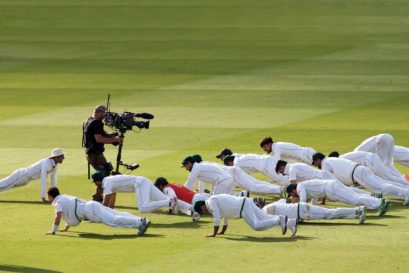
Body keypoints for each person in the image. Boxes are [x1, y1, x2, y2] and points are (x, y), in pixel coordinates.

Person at [46, 187, 150, 236]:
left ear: (50, 196)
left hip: (90, 211)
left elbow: (58, 216)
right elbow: (71, 212)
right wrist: (66, 228)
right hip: (92, 205)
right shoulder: (64, 197)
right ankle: (140, 220)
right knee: (116, 214)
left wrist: (53, 231)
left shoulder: (58, 203)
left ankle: (140, 223)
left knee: (113, 220)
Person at [312, 153, 409, 205]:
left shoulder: (325, 164)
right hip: (360, 170)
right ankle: (405, 192)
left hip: (357, 174)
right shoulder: (331, 160)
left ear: (318, 160)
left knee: (381, 187)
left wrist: (323, 199)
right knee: (382, 184)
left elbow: (326, 181)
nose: (315, 166)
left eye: (315, 163)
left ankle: (405, 193)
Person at [193, 194, 297, 237]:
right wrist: (223, 231)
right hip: (246, 202)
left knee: (256, 226)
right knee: (265, 218)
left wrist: (214, 234)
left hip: (243, 207)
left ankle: (280, 219)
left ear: (202, 205)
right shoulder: (213, 201)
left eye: (202, 210)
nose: (204, 212)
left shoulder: (211, 202)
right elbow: (224, 216)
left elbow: (217, 218)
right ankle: (290, 223)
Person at [83, 105, 123, 201]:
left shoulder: (89, 120)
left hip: (92, 154)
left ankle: (98, 197)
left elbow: (98, 133)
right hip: (95, 155)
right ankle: (98, 198)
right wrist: (115, 139)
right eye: (105, 113)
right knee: (104, 177)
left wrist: (109, 135)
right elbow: (99, 139)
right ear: (99, 112)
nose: (106, 116)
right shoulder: (97, 123)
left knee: (104, 174)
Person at [286, 180, 389, 216]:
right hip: (332, 184)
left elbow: (303, 201)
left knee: (354, 199)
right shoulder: (305, 185)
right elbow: (314, 200)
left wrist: (296, 208)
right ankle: (378, 202)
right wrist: (313, 209)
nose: (294, 196)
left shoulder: (299, 187)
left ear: (293, 191)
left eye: (292, 194)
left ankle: (380, 203)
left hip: (330, 189)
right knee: (354, 196)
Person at [91, 172, 176, 213]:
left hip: (140, 183)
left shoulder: (106, 183)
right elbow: (110, 205)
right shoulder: (109, 181)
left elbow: (105, 204)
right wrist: (110, 213)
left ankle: (168, 202)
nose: (95, 184)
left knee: (142, 208)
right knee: (164, 198)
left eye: (95, 182)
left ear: (98, 181)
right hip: (143, 181)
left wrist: (98, 214)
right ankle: (189, 208)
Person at [0, 148, 64, 202]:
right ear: (56, 157)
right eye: (62, 156)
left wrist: (55, 196)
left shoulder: (54, 165)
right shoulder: (46, 163)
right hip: (21, 175)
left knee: (7, 187)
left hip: (25, 180)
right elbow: (43, 180)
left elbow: (53, 179)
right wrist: (43, 197)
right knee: (4, 184)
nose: (63, 158)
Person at [331, 151, 409, 187]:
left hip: (370, 160)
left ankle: (406, 185)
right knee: (385, 179)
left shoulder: (342, 159)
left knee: (388, 178)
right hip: (371, 160)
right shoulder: (345, 156)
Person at [263, 199, 366, 224]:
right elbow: (283, 201)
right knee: (330, 213)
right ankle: (356, 213)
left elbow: (272, 212)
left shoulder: (265, 210)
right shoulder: (269, 205)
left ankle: (357, 210)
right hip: (302, 210)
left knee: (330, 213)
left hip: (304, 212)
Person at [216, 150, 288, 184]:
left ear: (230, 162)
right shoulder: (237, 159)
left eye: (229, 165)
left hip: (265, 164)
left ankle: (295, 186)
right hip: (266, 160)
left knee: (281, 179)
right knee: (283, 173)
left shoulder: (237, 162)